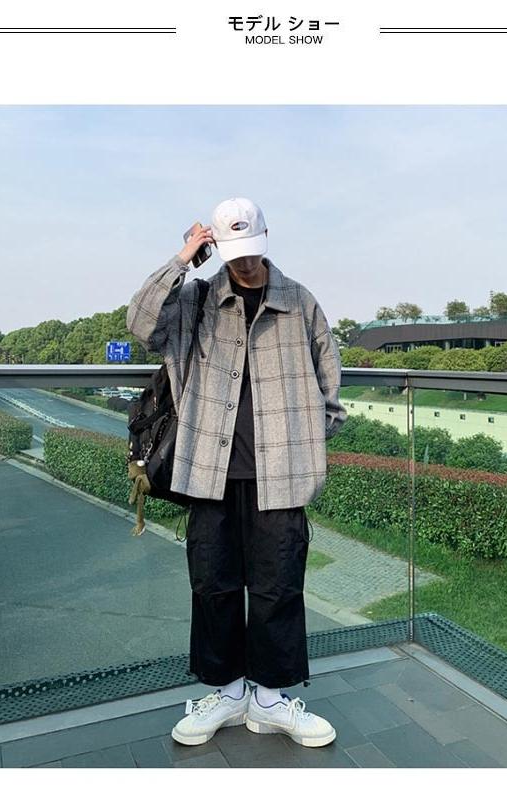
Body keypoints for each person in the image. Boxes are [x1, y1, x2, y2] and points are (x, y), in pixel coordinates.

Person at [125, 197, 347, 749]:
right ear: (218, 247)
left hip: (282, 473)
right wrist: (182, 260)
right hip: (208, 469)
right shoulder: (197, 300)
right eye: (233, 251)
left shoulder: (299, 302)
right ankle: (225, 692)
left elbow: (329, 379)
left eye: (251, 249)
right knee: (213, 585)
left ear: (266, 239)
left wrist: (311, 437)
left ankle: (269, 700)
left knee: (279, 587)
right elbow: (140, 324)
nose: (245, 262)